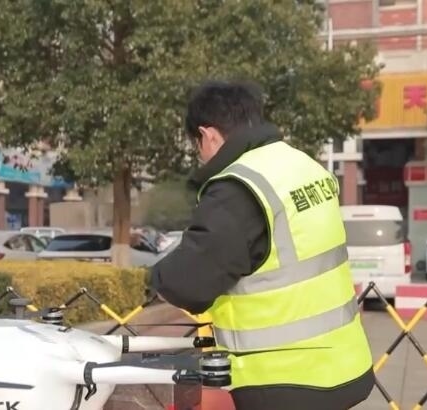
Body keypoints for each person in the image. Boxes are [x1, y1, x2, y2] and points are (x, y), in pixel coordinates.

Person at [149, 80, 375, 410]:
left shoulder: (239, 187)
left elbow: (189, 284)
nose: (201, 156)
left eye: (197, 146)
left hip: (282, 381)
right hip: (346, 365)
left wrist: (150, 280)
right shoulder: (303, 165)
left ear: (208, 135)